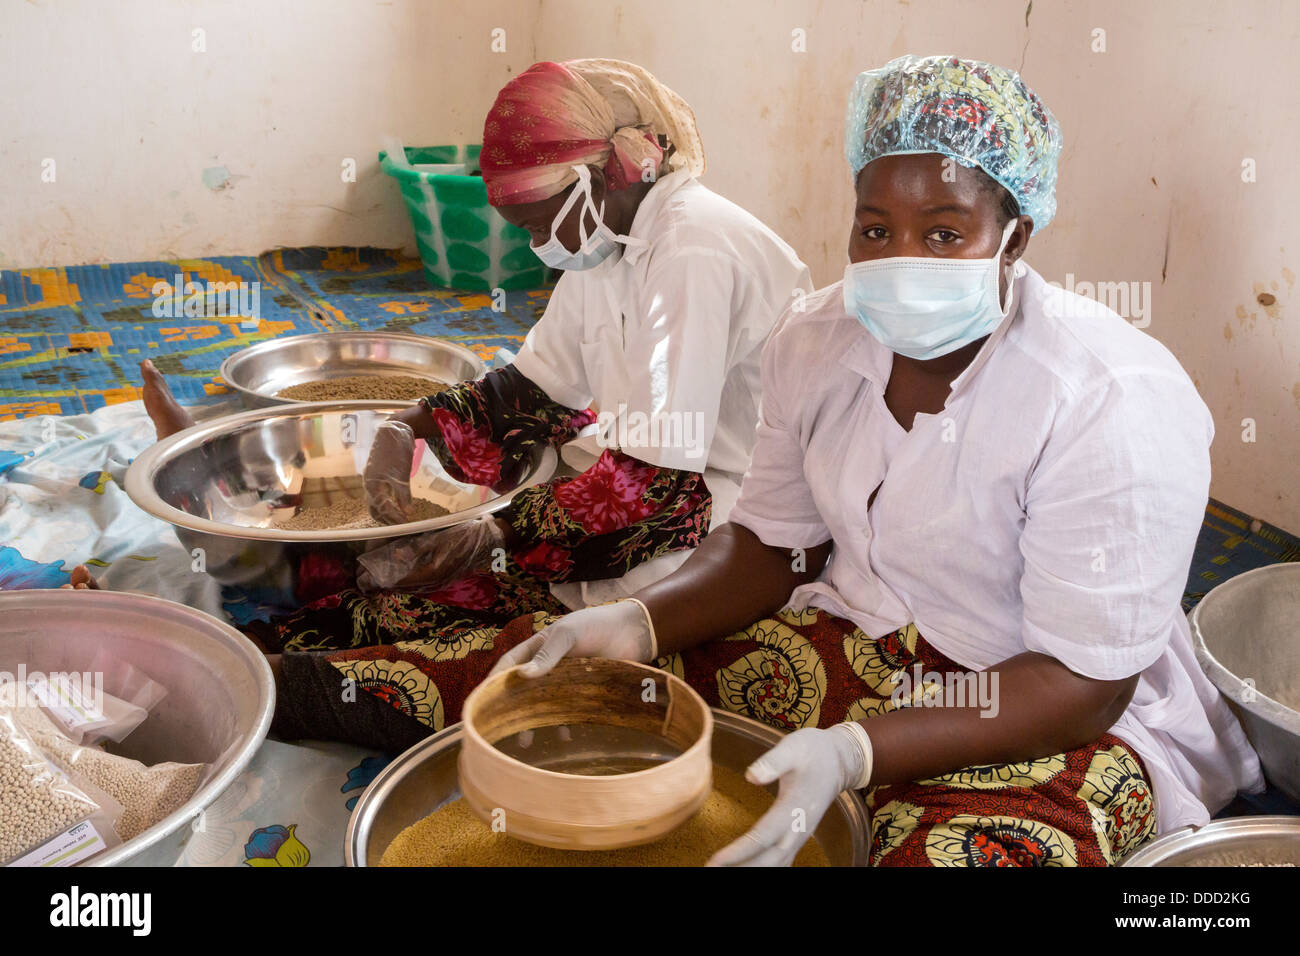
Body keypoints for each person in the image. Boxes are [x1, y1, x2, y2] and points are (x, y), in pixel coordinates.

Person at [489, 54, 1265, 867]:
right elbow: (771, 545)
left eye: (942, 232)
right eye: (874, 229)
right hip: (875, 643)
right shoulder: (817, 341)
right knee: (588, 694)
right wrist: (636, 621)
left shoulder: (1106, 397)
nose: (902, 259)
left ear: (1014, 238)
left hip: (1052, 708)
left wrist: (855, 751)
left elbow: (1084, 685)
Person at [132, 58, 812, 750]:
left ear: (599, 177)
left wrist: (496, 537)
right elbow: (532, 393)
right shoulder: (609, 241)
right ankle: (252, 605)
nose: (534, 245)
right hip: (629, 488)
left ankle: (270, 688)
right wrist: (408, 428)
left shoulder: (694, 254)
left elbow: (659, 490)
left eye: (535, 223)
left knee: (519, 669)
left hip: (714, 527)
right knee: (413, 573)